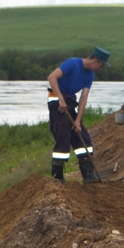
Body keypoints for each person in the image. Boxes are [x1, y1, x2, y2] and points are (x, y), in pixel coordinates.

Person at [46, 47, 110, 183]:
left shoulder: (90, 74)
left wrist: (78, 119)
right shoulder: (72, 63)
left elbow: (84, 97)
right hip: (56, 101)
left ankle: (88, 175)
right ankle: (57, 178)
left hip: (70, 102)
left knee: (83, 137)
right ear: (95, 61)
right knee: (63, 138)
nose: (101, 68)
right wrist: (60, 98)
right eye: (101, 65)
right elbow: (51, 77)